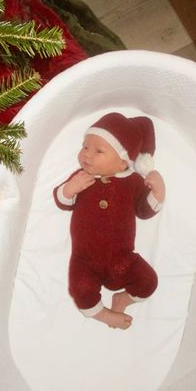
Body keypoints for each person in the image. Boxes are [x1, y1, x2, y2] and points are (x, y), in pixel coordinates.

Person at [53, 112, 165, 329]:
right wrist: (69, 189)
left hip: (123, 260)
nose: (87, 154)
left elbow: (144, 210)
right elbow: (61, 200)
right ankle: (102, 314)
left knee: (149, 281)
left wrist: (159, 192)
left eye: (98, 150)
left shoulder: (132, 182)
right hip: (85, 260)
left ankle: (123, 299)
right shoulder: (82, 176)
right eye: (85, 147)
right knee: (81, 289)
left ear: (123, 160)